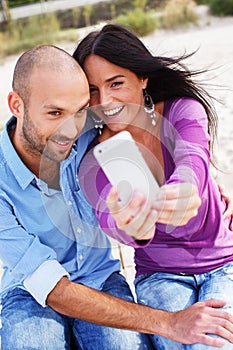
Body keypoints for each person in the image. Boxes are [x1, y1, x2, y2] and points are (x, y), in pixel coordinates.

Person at [2, 44, 233, 350]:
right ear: (16, 105)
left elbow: (182, 152)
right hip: (30, 289)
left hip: (100, 277)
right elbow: (53, 287)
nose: (68, 130)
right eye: (54, 113)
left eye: (80, 110)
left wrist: (205, 188)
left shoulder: (92, 134)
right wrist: (168, 322)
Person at [73, 24, 233, 349]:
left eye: (116, 83)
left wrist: (186, 188)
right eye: (92, 90)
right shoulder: (94, 156)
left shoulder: (182, 111)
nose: (104, 101)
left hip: (224, 264)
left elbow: (194, 163)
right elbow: (113, 221)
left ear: (142, 78)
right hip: (159, 276)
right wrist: (130, 225)